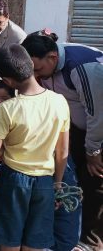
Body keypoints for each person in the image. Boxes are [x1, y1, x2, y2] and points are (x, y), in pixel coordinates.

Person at [22, 31, 102, 250]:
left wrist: (93, 152)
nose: (36, 76)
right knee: (73, 180)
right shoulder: (49, 64)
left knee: (96, 182)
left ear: (52, 58)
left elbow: (96, 114)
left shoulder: (83, 68)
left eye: (37, 70)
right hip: (77, 128)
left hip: (98, 131)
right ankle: (73, 235)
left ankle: (92, 239)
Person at [0, 44, 70, 251]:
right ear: (31, 64)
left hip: (14, 180)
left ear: (7, 81)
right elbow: (62, 152)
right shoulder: (59, 101)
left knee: (10, 239)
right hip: (45, 181)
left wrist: (7, 153)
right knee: (35, 241)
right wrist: (57, 184)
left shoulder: (6, 109)